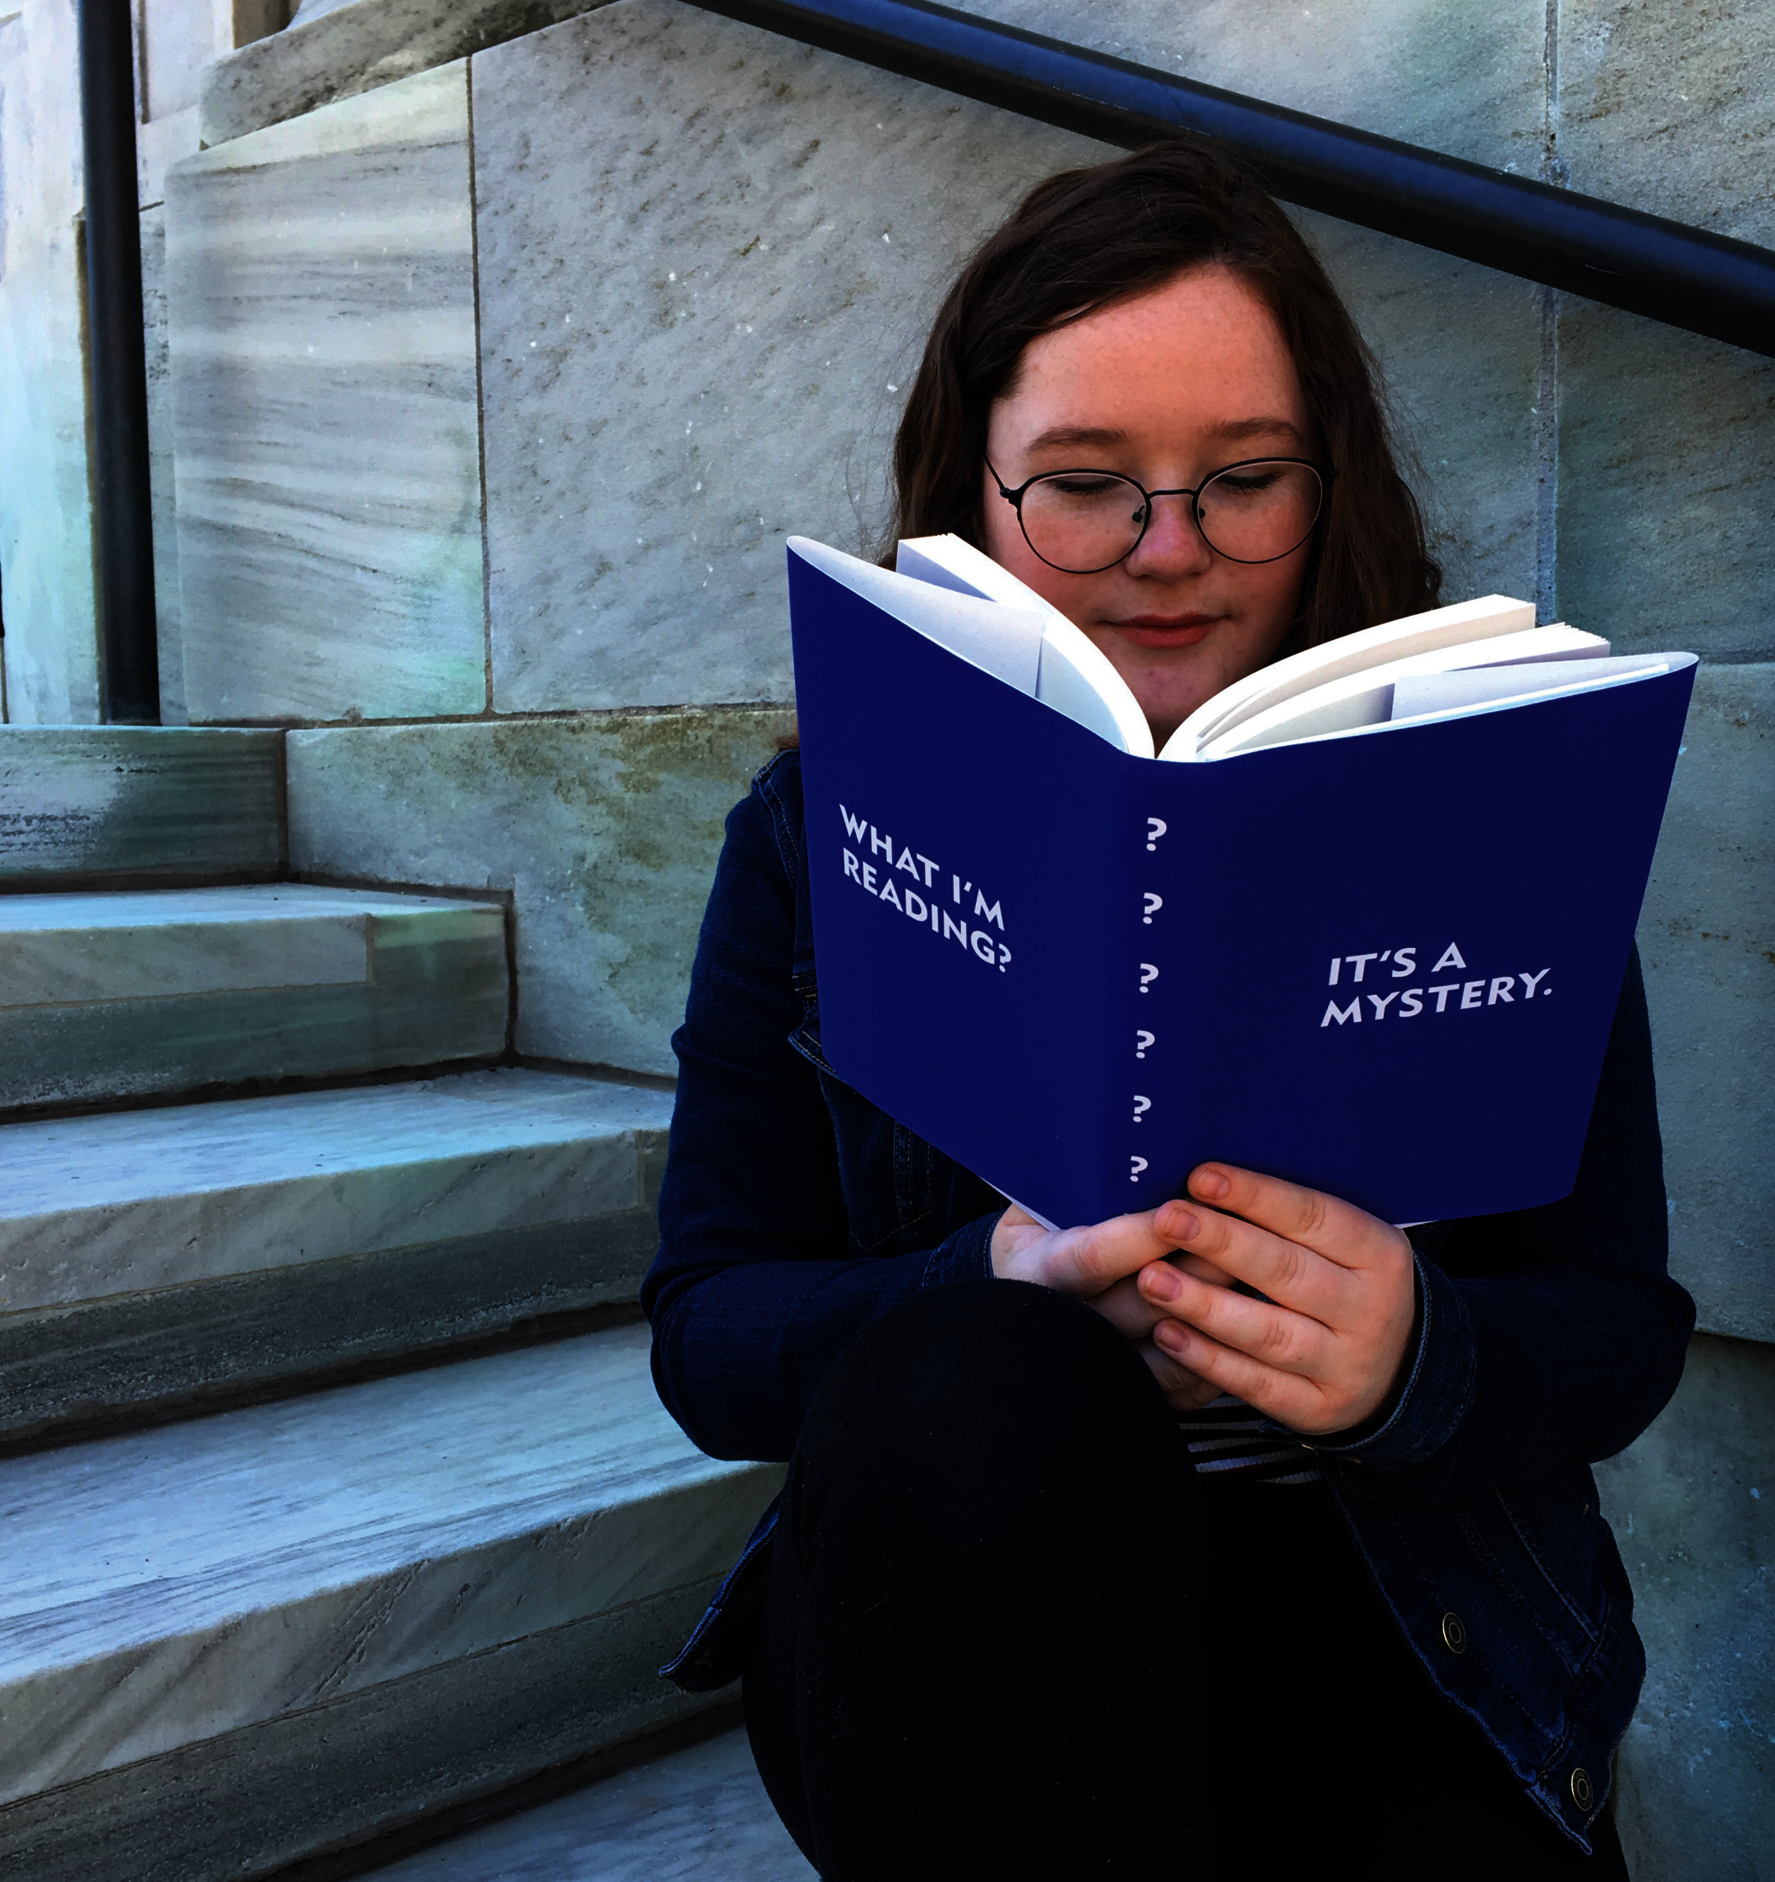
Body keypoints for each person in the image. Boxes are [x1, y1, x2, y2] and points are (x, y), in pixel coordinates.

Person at [640, 142, 1688, 1880]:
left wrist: (1417, 1352)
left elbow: (1624, 1321)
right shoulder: (813, 839)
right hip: (967, 1598)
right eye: (1083, 482)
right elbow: (709, 1330)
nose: (1166, 552)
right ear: (973, 489)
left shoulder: (1494, 809)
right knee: (987, 1373)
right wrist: (979, 1285)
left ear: (1325, 482)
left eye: (1244, 479)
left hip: (1403, 1616)